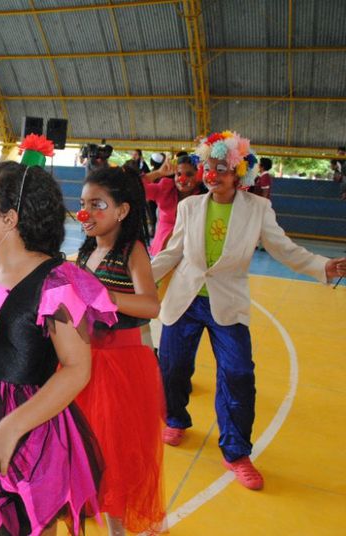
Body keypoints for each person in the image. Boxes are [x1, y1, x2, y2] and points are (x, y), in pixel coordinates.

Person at [0, 143, 117, 536]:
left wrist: (9, 429)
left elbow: (76, 369)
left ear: (9, 219)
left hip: (26, 427)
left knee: (20, 523)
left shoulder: (56, 283)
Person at [152, 131, 346, 491]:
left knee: (239, 374)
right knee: (172, 365)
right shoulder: (189, 207)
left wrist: (322, 266)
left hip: (228, 304)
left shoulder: (257, 209)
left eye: (221, 169)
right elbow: (171, 253)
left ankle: (236, 451)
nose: (212, 176)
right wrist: (133, 280)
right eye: (207, 169)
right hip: (185, 299)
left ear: (239, 173)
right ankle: (175, 418)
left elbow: (285, 250)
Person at [74, 166, 166, 536]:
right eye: (82, 205)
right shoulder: (86, 252)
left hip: (122, 367)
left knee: (116, 455)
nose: (86, 213)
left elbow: (151, 305)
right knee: (88, 450)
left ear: (122, 211)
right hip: (86, 363)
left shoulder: (132, 250)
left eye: (97, 205)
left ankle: (120, 529)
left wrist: (107, 296)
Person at [137, 154, 204, 256]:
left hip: (189, 254)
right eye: (179, 174)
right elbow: (134, 187)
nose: (182, 179)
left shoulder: (205, 197)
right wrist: (158, 173)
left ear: (199, 176)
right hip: (161, 252)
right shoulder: (165, 188)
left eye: (189, 174)